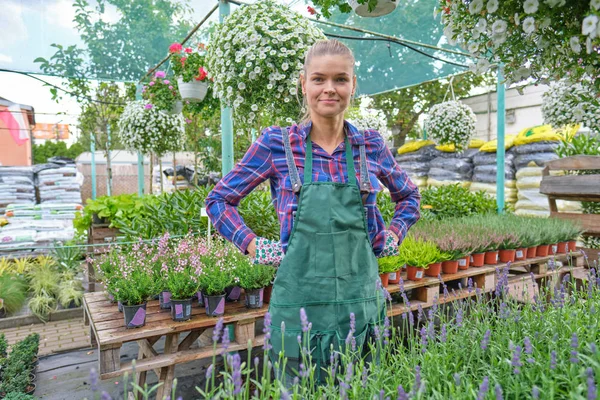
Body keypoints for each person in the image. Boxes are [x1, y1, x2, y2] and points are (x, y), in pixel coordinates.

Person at [206, 39, 420, 381]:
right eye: (319, 79)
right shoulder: (277, 144)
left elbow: (409, 196)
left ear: (353, 85)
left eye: (340, 79)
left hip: (360, 304)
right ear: (303, 84)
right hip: (299, 307)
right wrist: (251, 244)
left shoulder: (371, 145)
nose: (329, 89)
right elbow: (219, 200)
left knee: (362, 386)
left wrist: (393, 235)